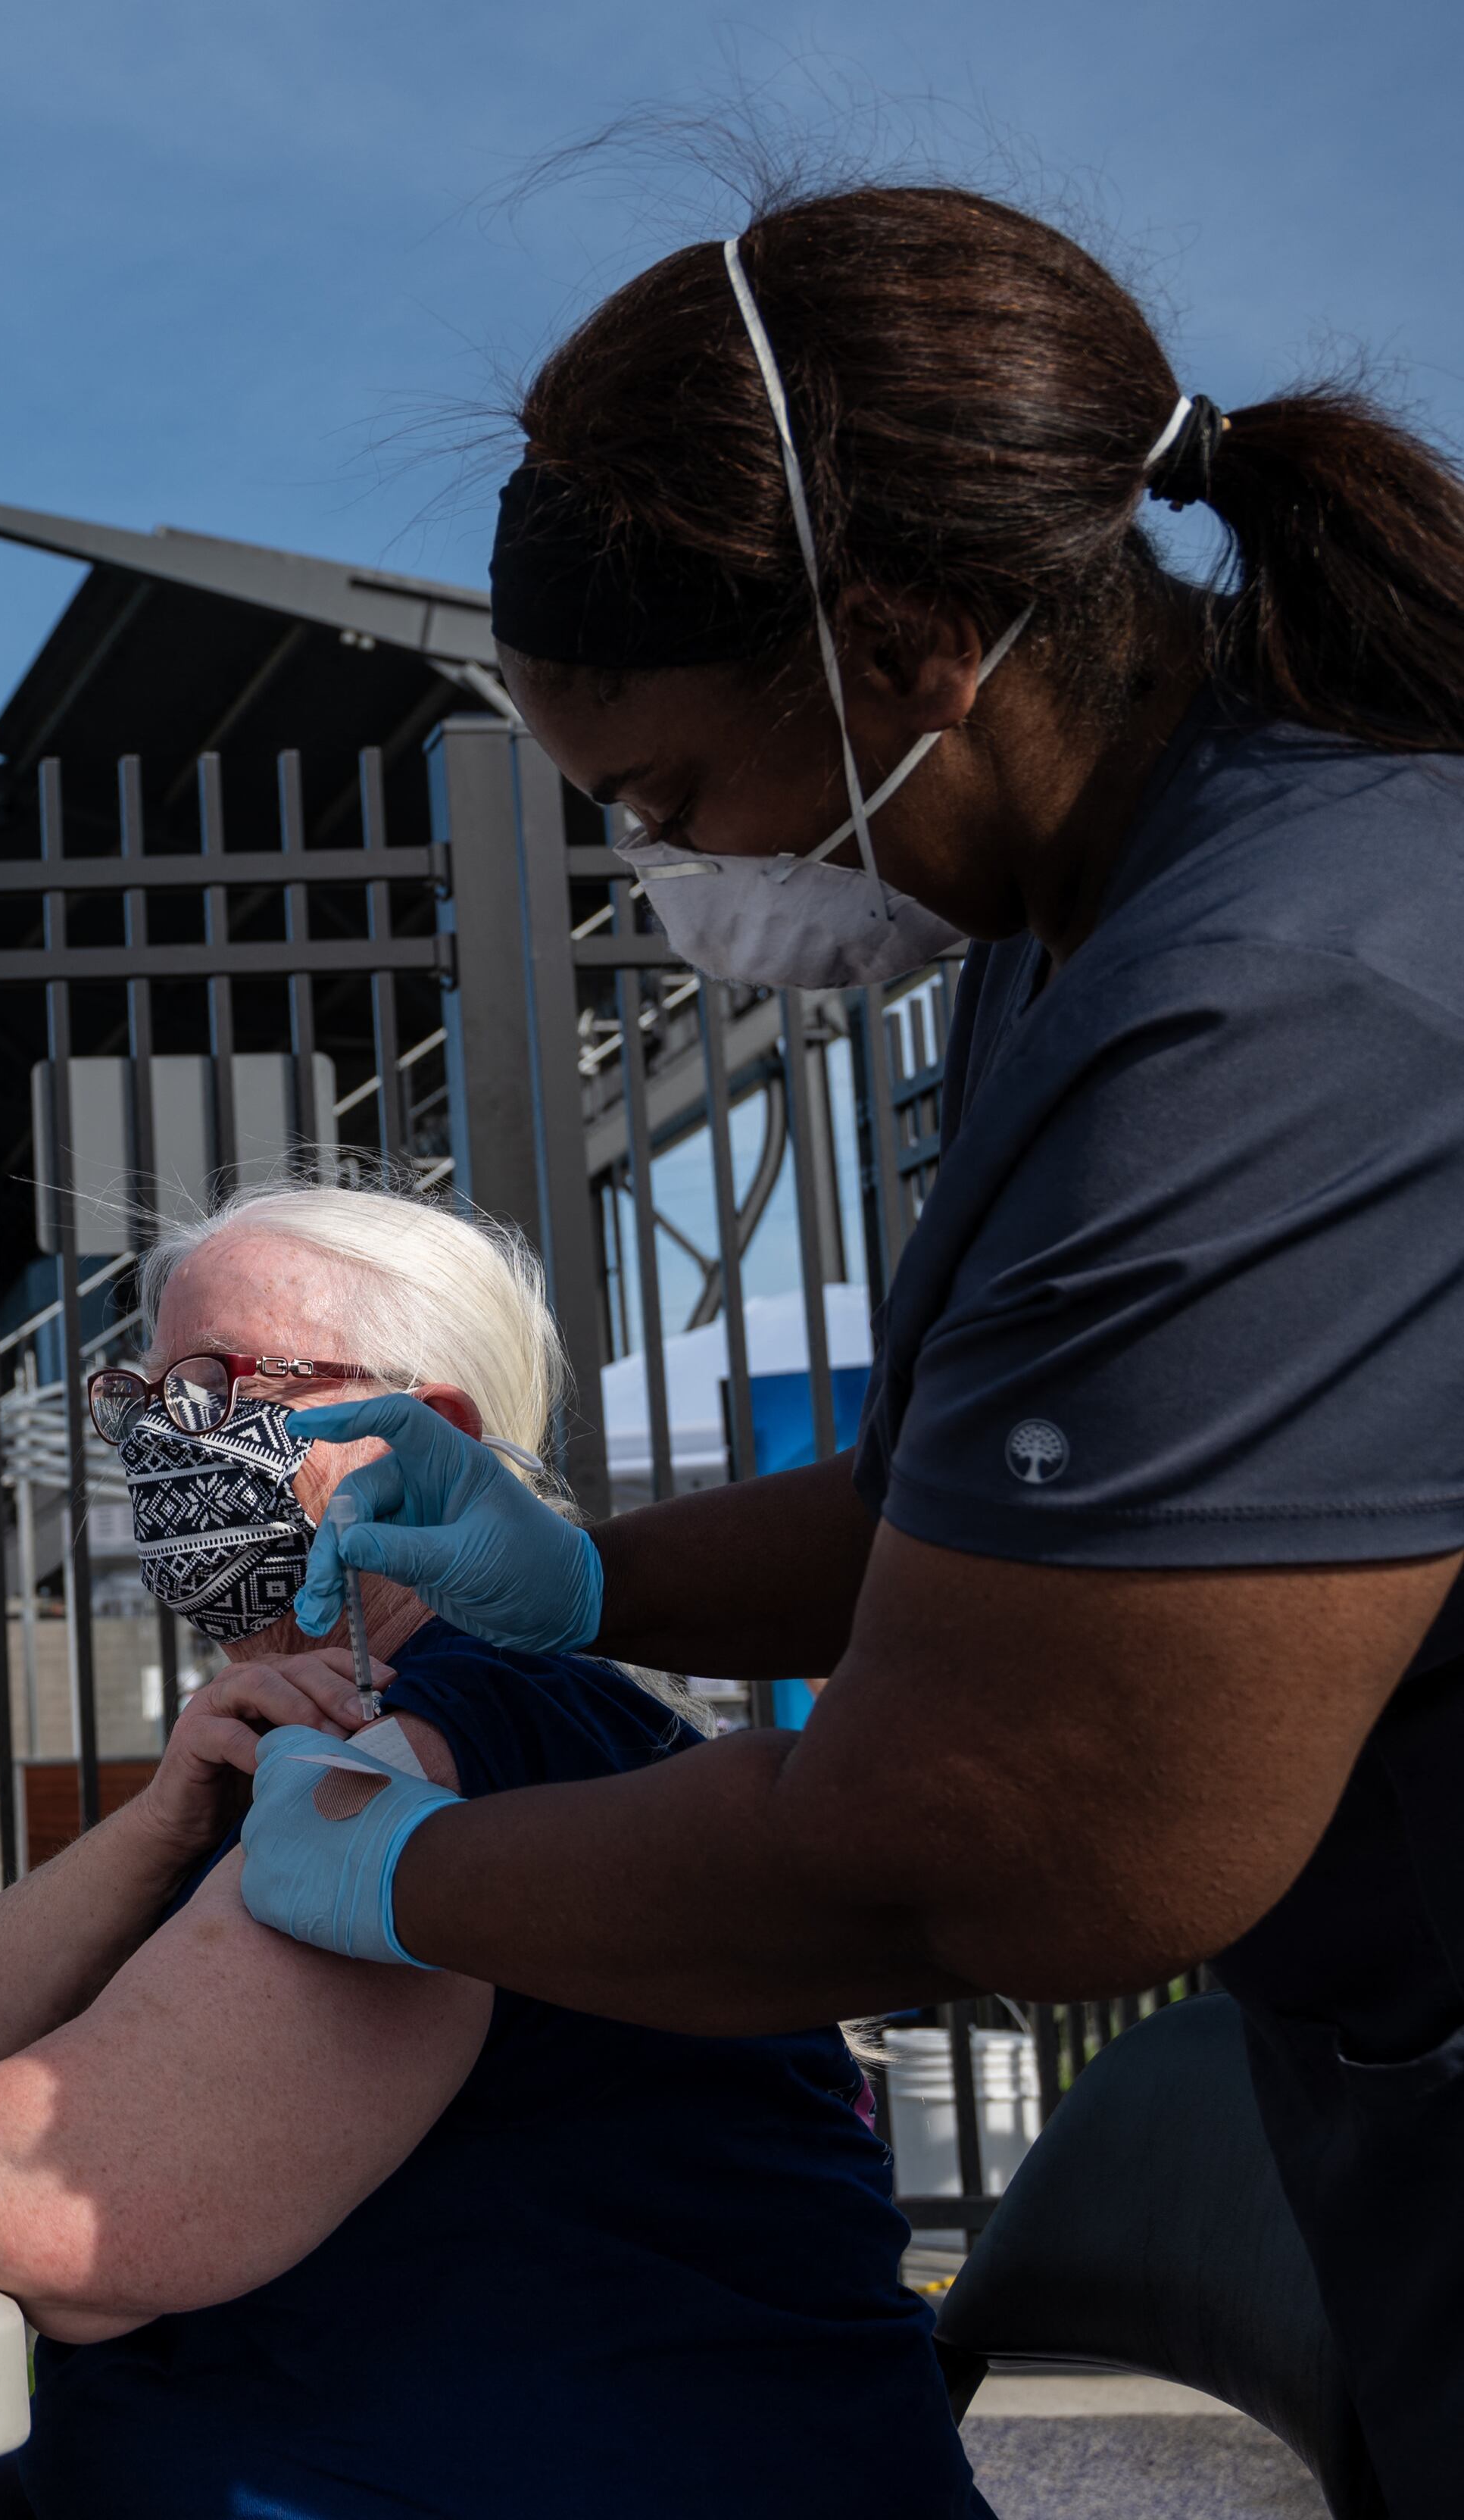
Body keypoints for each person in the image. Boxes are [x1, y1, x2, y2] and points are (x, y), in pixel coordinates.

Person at [242, 186, 1464, 2505]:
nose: (682, 882)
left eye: (675, 802)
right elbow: (991, 1499)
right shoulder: (1075, 917)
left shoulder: (1279, 1000)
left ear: (904, 641)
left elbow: (978, 1855)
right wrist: (589, 1577)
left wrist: (396, 1870)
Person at [0, 1183, 983, 2518]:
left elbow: (55, 2210)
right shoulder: (326, 1725)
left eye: (222, 1384)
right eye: (141, 1395)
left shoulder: (444, 1735)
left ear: (422, 1441)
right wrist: (159, 1826)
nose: (163, 1436)